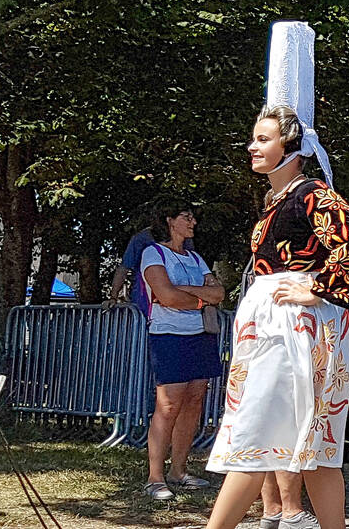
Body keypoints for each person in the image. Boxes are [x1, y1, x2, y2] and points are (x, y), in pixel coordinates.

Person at [205, 21, 349, 529]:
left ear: (291, 145)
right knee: (305, 445)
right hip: (279, 328)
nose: (252, 148)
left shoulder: (310, 194)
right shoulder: (281, 198)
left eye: (262, 139)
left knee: (258, 435)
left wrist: (315, 286)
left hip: (297, 331)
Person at [138, 201, 225, 501]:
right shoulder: (154, 253)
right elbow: (165, 296)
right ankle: (155, 477)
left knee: (194, 400)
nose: (193, 223)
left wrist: (186, 294)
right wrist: (201, 299)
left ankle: (179, 470)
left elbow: (219, 293)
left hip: (201, 335)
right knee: (168, 404)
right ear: (170, 221)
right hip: (168, 336)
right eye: (186, 217)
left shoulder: (195, 257)